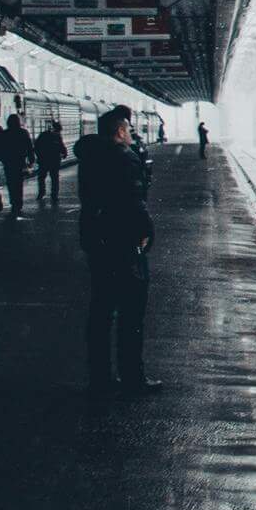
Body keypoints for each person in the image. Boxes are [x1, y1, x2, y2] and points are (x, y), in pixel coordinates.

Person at [77, 105, 158, 394]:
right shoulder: (124, 157)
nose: (131, 134)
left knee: (101, 310)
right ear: (120, 131)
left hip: (97, 240)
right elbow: (134, 201)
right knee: (131, 313)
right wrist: (147, 230)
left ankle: (100, 378)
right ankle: (132, 378)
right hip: (124, 241)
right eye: (129, 130)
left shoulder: (89, 157)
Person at [0, 113, 34, 217]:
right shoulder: (24, 133)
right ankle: (18, 202)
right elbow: (29, 147)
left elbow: (1, 148)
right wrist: (31, 159)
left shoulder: (5, 133)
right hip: (20, 161)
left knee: (11, 183)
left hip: (9, 162)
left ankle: (13, 201)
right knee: (19, 183)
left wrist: (3, 159)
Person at [33, 119, 67, 206]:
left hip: (43, 160)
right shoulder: (57, 136)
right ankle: (54, 195)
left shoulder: (43, 134)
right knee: (54, 178)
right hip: (54, 160)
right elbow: (62, 147)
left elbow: (36, 146)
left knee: (41, 178)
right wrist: (64, 153)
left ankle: (41, 193)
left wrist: (39, 156)